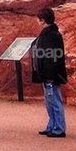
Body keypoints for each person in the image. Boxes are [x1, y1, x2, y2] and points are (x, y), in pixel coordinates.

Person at [31, 7, 68, 138]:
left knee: (54, 101)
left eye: (39, 19)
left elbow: (52, 58)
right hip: (47, 75)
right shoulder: (50, 33)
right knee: (49, 101)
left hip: (50, 76)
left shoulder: (50, 35)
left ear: (42, 20)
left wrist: (49, 76)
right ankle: (52, 125)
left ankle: (59, 128)